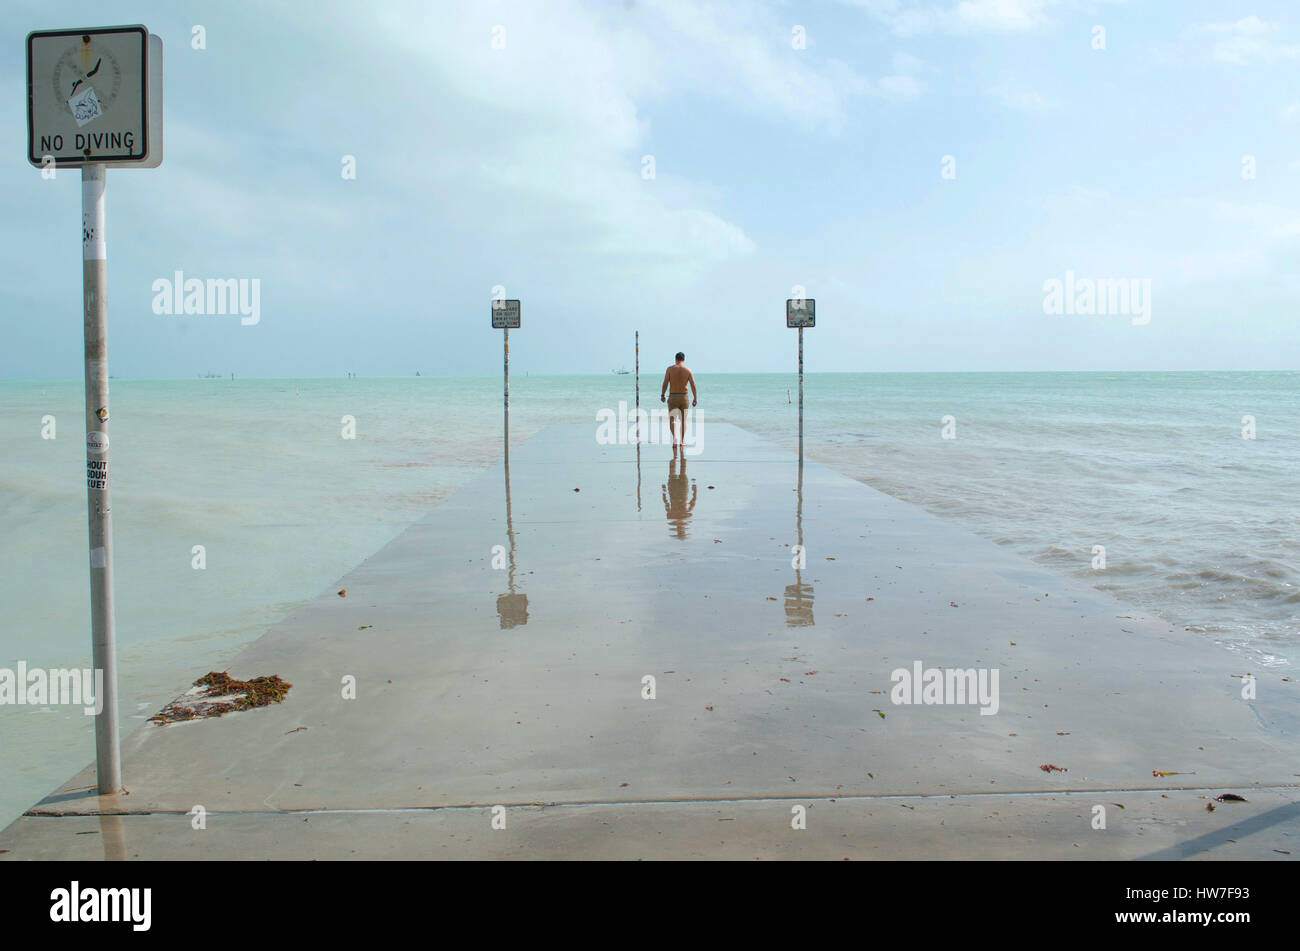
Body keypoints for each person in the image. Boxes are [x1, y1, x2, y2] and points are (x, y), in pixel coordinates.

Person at [660, 352, 697, 453]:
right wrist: (695, 398)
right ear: (684, 360)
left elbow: (665, 383)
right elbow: (693, 385)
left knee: (672, 419)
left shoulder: (670, 369)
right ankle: (682, 441)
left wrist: (662, 395)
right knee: (683, 420)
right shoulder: (688, 370)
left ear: (675, 359)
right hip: (684, 397)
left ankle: (675, 439)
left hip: (673, 396)